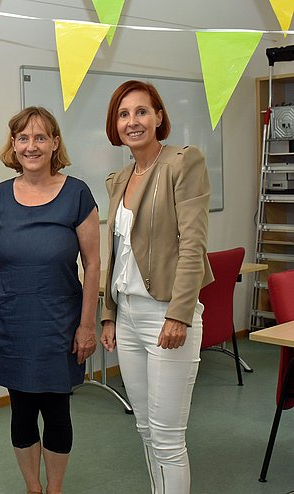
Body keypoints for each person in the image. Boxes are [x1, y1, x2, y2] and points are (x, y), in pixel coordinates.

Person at [0, 106, 100, 494]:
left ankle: (55, 488)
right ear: (14, 145)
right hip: (13, 323)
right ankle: (33, 487)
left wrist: (86, 324)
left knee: (57, 411)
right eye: (24, 138)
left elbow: (93, 265)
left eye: (41, 137)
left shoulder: (77, 194)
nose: (32, 146)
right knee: (22, 411)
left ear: (55, 143)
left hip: (60, 324)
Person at [99, 80, 213, 494]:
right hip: (127, 317)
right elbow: (116, 253)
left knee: (167, 439)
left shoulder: (183, 163)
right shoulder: (119, 177)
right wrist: (109, 315)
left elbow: (193, 244)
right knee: (146, 431)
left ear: (159, 117)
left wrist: (179, 313)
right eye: (124, 114)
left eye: (142, 111)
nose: (133, 121)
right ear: (115, 125)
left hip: (167, 315)